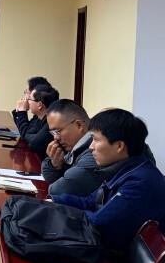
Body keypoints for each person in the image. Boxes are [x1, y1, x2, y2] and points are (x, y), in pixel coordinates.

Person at [50, 109, 165, 254]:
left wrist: (61, 210)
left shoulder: (141, 182)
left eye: (95, 139)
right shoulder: (125, 169)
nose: (91, 147)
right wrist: (54, 202)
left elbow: (100, 224)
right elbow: (91, 202)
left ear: (119, 146)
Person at [12, 83, 59, 157]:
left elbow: (34, 143)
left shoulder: (51, 123)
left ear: (39, 105)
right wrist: (29, 136)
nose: (28, 102)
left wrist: (22, 112)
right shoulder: (39, 118)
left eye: (30, 99)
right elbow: (25, 133)